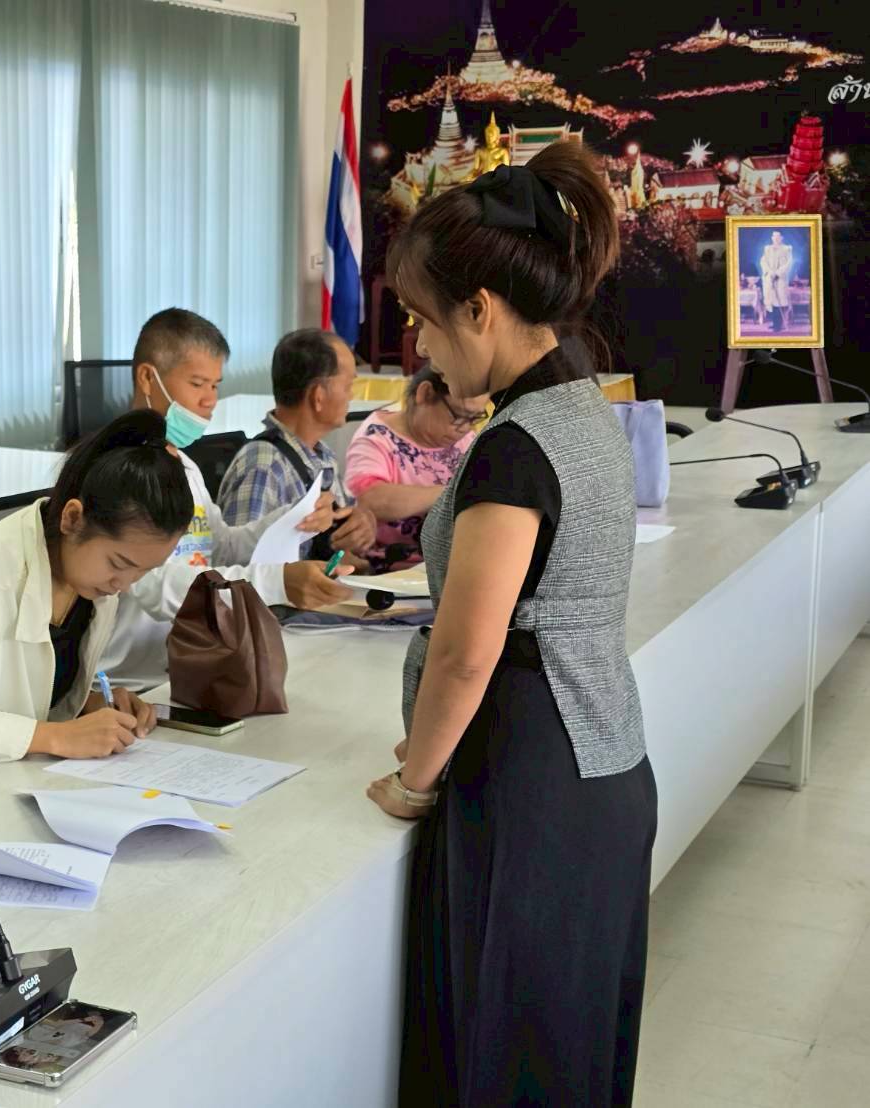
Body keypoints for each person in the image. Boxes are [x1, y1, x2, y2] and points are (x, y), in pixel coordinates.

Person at [366, 152, 657, 1105]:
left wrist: (414, 778)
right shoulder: (581, 409)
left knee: (509, 1049)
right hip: (603, 756)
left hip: (532, 778)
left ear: (480, 310)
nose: (419, 347)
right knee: (568, 1044)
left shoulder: (512, 448)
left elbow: (465, 649)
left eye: (422, 319)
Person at [0, 411, 192, 779]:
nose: (125, 584)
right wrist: (57, 736)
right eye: (119, 563)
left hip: (24, 784)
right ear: (73, 519)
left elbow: (39, 696)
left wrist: (89, 706)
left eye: (143, 571)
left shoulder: (91, 586)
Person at [99, 309, 353, 691]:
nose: (209, 401)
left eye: (216, 386)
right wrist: (277, 582)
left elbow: (222, 545)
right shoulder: (123, 470)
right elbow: (160, 585)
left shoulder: (181, 463)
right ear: (148, 378)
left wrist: (294, 518)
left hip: (189, 667)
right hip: (131, 684)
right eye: (198, 384)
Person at [216, 329, 378, 569]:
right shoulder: (263, 465)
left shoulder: (323, 458)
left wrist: (362, 523)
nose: (351, 396)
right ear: (318, 396)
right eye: (347, 386)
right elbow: (241, 570)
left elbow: (340, 534)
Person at [344, 365, 488, 572]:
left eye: (475, 418)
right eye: (459, 416)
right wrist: (454, 492)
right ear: (425, 394)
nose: (466, 428)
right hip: (391, 571)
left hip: (452, 565)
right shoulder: (376, 438)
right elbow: (372, 500)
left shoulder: (464, 438)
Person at [759, 229, 793, 332]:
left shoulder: (787, 249)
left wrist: (777, 273)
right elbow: (763, 262)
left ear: (782, 237)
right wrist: (770, 272)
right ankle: (775, 323)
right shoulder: (767, 249)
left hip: (780, 279)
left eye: (778, 236)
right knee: (772, 301)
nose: (776, 238)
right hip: (770, 278)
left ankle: (779, 325)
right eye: (774, 236)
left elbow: (788, 263)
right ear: (772, 238)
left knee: (780, 301)